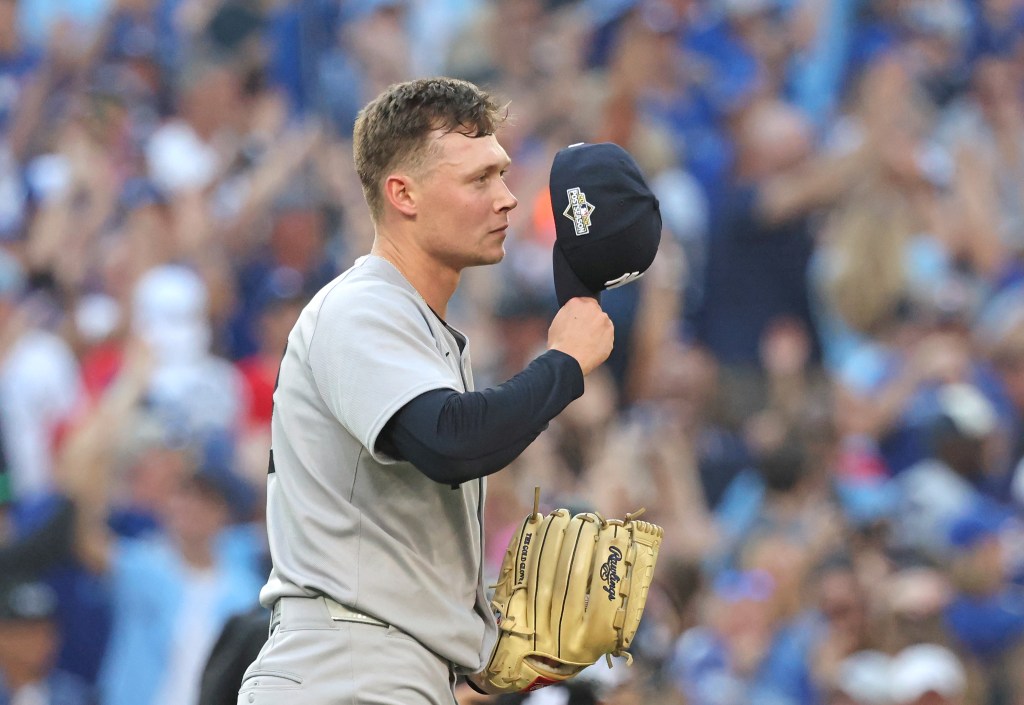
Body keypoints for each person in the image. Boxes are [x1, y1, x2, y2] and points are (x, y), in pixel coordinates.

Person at [238, 76, 618, 704]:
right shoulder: (361, 307)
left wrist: (486, 652)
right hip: (345, 669)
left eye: (501, 175)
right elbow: (451, 440)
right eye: (479, 179)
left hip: (384, 669)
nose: (506, 199)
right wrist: (564, 364)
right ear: (403, 193)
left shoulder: (421, 327)